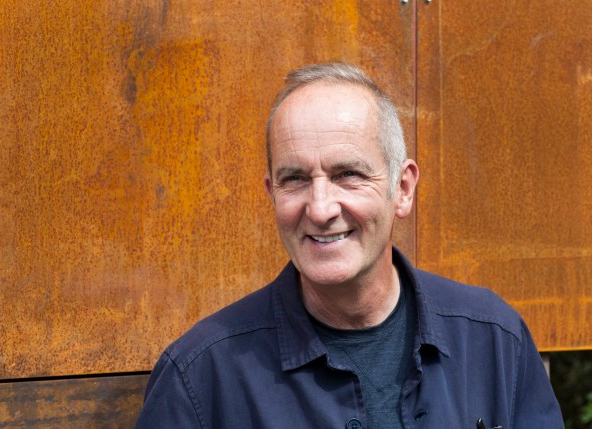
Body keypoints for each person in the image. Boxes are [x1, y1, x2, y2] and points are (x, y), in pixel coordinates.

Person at [135, 63, 564, 428]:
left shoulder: (493, 339)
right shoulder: (201, 377)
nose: (320, 209)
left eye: (348, 175)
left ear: (402, 189)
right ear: (271, 193)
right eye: (296, 179)